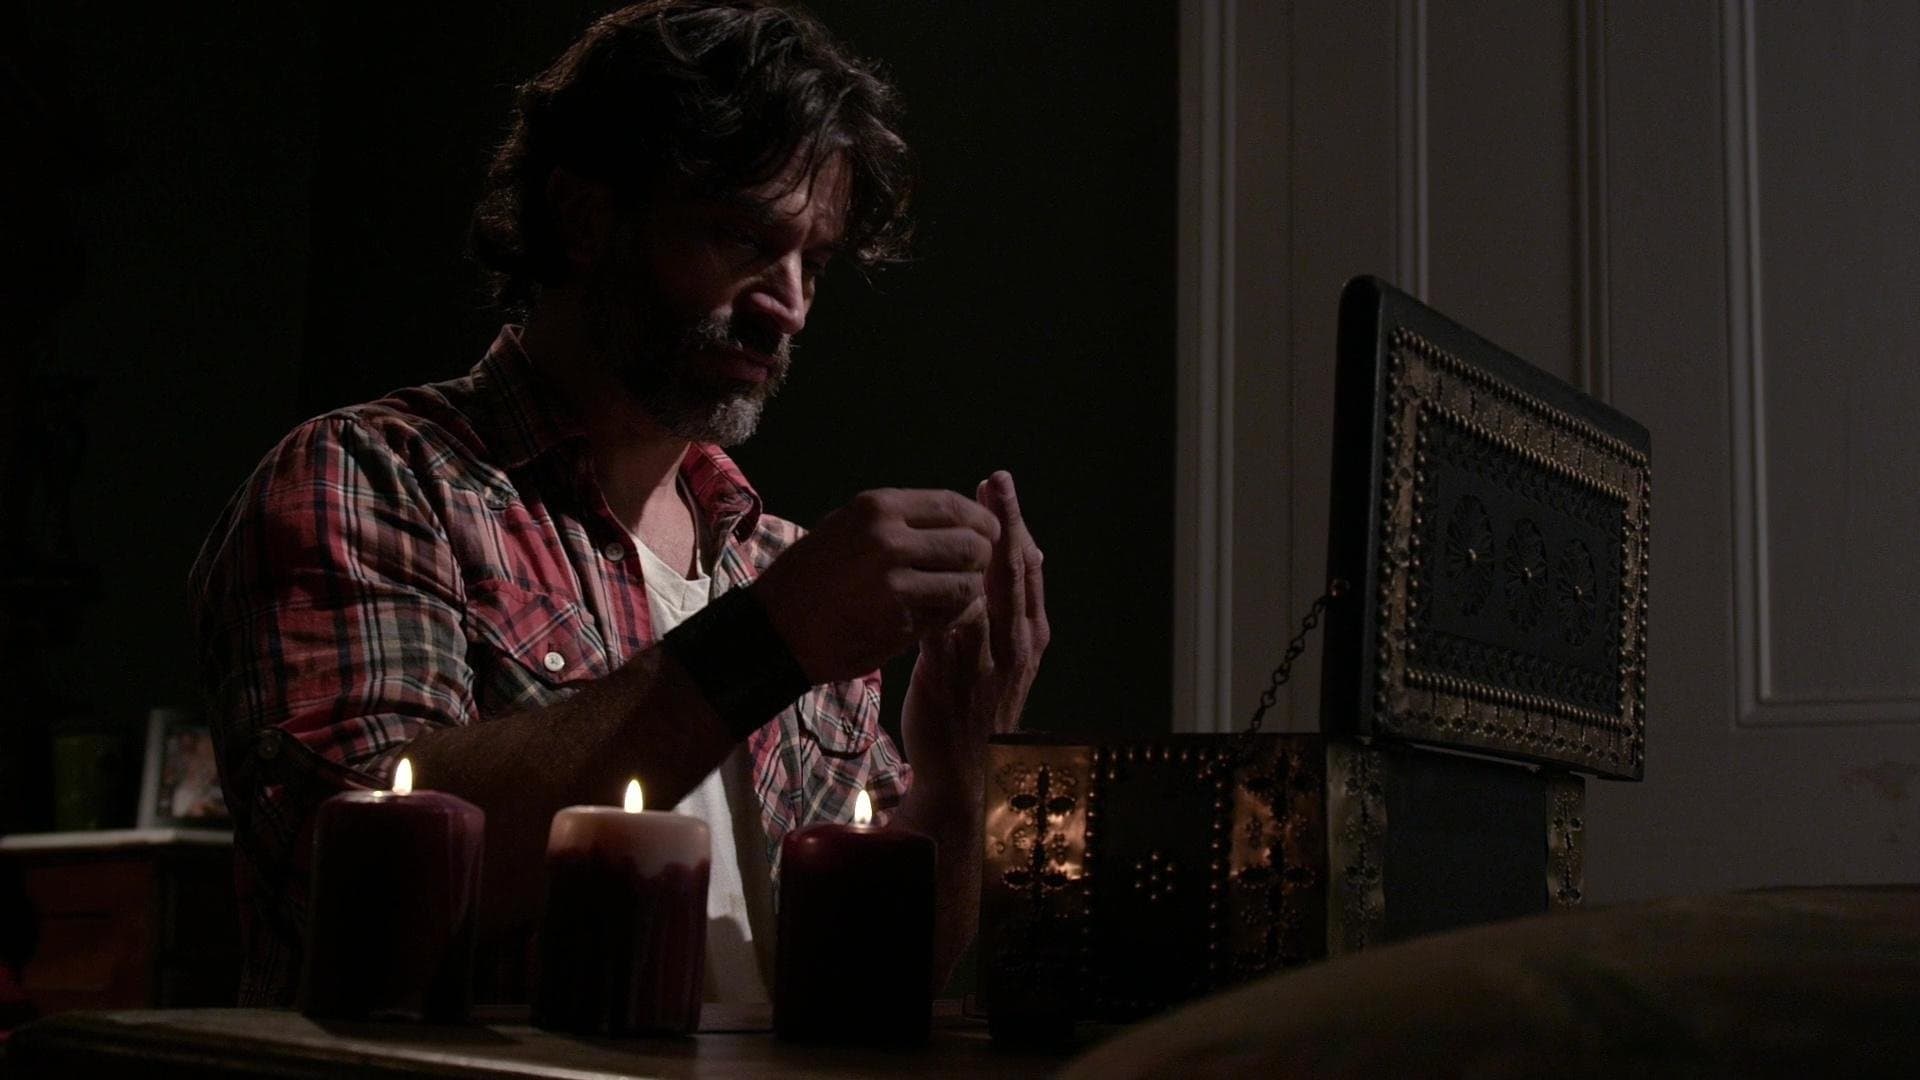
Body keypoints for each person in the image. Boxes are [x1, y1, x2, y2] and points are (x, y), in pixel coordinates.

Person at [189, 0, 1048, 1007]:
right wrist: (765, 644)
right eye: (742, 236)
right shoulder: (374, 479)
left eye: (813, 263)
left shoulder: (780, 565)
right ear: (587, 216)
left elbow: (872, 987)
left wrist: (959, 770)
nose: (789, 306)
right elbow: (353, 891)